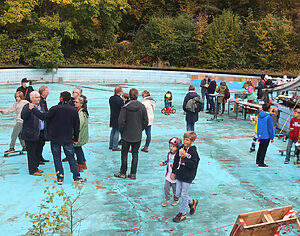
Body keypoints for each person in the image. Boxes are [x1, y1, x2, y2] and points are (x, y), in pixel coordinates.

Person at [30, 91, 84, 184]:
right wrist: (75, 139)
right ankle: (76, 177)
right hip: (67, 138)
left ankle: (60, 178)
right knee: (71, 158)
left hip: (55, 138)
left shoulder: (54, 109)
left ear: (61, 98)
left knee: (57, 158)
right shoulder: (73, 110)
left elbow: (43, 117)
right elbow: (76, 126)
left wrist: (33, 109)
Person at [114, 88, 148, 180]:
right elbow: (146, 121)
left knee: (124, 153)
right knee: (135, 154)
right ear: (137, 95)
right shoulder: (142, 106)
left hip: (126, 135)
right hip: (137, 135)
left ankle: (123, 172)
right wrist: (140, 129)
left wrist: (122, 132)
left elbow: (121, 122)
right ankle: (133, 173)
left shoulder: (125, 107)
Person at [171, 131, 200, 223]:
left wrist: (185, 157)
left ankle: (182, 213)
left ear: (192, 141)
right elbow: (176, 160)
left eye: (187, 140)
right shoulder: (180, 148)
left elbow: (193, 165)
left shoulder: (193, 152)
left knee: (183, 195)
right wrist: (173, 172)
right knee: (178, 193)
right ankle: (192, 202)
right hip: (180, 174)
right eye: (184, 139)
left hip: (188, 176)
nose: (185, 141)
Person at [21, 91, 45, 176]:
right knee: (31, 152)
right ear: (32, 98)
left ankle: (36, 167)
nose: (39, 99)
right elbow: (23, 116)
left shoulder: (40, 106)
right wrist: (29, 109)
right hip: (31, 134)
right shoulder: (27, 106)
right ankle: (32, 170)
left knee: (37, 151)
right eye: (37, 97)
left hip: (40, 133)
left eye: (39, 97)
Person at [159, 137, 181, 207]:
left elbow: (180, 165)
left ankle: (176, 199)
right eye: (170, 146)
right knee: (166, 188)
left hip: (175, 176)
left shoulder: (179, 156)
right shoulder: (169, 154)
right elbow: (167, 161)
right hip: (168, 175)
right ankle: (167, 199)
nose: (171, 148)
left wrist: (175, 168)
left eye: (174, 147)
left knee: (175, 190)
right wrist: (163, 163)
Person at [256, 103, 275, 168]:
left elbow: (259, 125)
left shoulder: (260, 115)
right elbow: (270, 127)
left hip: (261, 134)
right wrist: (272, 136)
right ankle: (261, 163)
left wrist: (259, 135)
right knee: (264, 149)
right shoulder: (268, 116)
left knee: (260, 148)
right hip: (266, 135)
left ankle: (258, 160)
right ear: (269, 109)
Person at [74, 96, 89, 172]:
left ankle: (80, 165)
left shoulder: (81, 114)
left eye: (76, 102)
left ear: (81, 104)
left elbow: (79, 126)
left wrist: (73, 134)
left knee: (77, 149)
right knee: (78, 149)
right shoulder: (82, 111)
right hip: (81, 135)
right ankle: (83, 163)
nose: (74, 103)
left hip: (79, 135)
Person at [109, 87, 124, 151]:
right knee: (117, 131)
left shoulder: (111, 98)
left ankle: (111, 145)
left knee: (113, 131)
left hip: (112, 116)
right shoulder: (120, 100)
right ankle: (115, 146)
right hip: (118, 117)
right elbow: (123, 108)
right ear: (120, 92)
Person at [38, 86, 50, 164]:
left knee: (42, 143)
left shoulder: (43, 100)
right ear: (43, 92)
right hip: (40, 124)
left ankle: (40, 157)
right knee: (39, 143)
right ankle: (38, 158)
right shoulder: (40, 101)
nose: (48, 93)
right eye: (47, 91)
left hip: (43, 124)